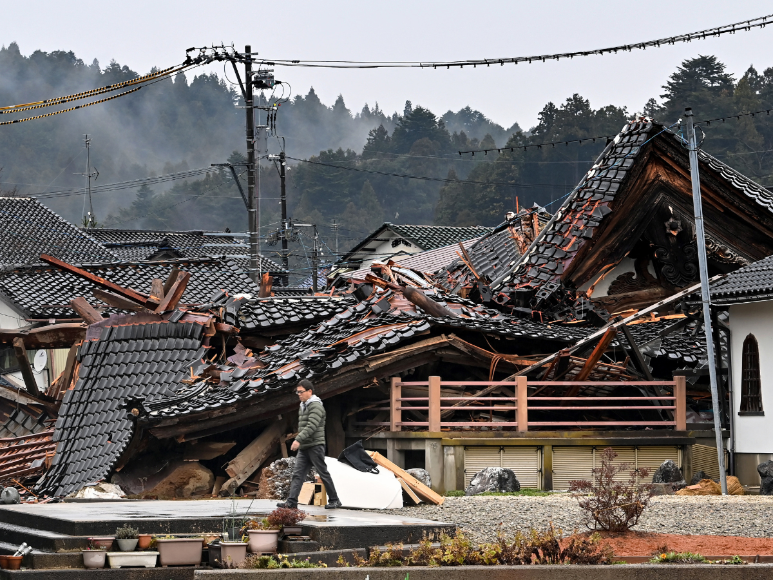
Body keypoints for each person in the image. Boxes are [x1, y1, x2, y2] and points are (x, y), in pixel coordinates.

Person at [277, 379, 342, 509]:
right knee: (298, 474)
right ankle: (291, 502)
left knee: (322, 473)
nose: (299, 395)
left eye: (301, 392)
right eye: (298, 392)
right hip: (305, 447)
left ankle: (335, 500)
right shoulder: (303, 405)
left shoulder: (315, 406)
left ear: (310, 391)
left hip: (315, 445)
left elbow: (312, 426)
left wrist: (298, 440)